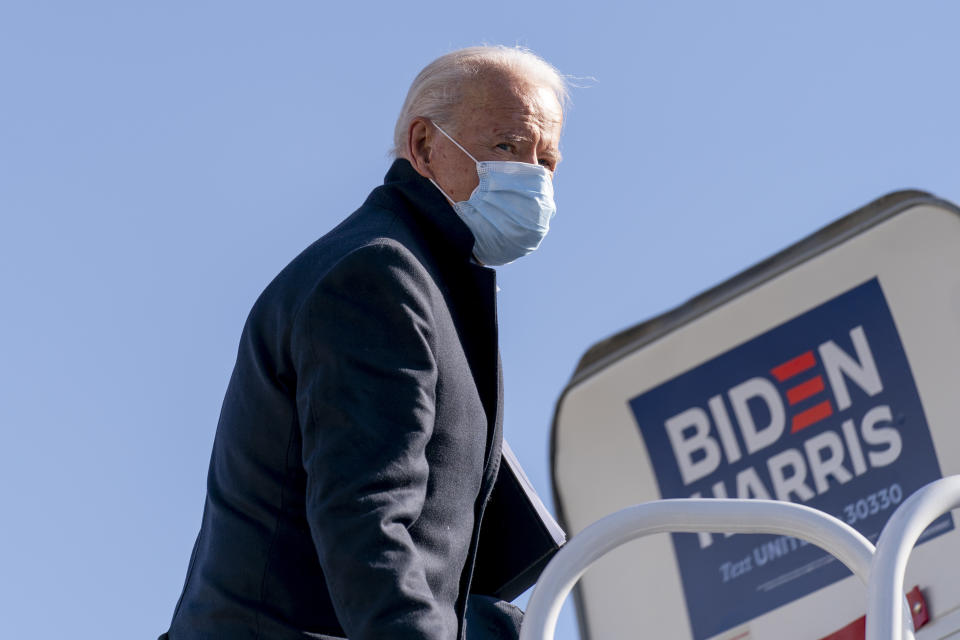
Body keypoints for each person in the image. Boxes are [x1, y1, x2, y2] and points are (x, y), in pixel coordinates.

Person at [161, 45, 567, 640]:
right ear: (424, 146)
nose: (531, 175)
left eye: (547, 160)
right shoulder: (379, 277)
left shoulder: (428, 277)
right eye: (507, 145)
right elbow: (367, 521)